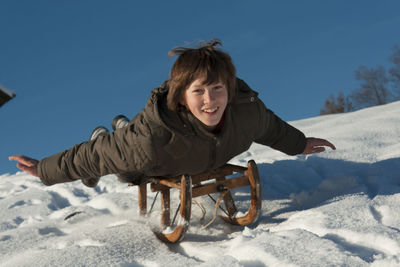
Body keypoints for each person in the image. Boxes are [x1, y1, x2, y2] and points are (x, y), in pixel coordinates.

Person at [9, 39, 336, 187]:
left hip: (185, 154)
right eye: (198, 92)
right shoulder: (153, 138)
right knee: (127, 168)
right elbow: (97, 156)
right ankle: (111, 128)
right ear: (182, 97)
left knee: (129, 140)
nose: (210, 101)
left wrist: (300, 144)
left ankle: (121, 124)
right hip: (156, 151)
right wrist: (46, 169)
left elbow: (272, 128)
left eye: (218, 88)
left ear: (230, 88)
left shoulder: (245, 111)